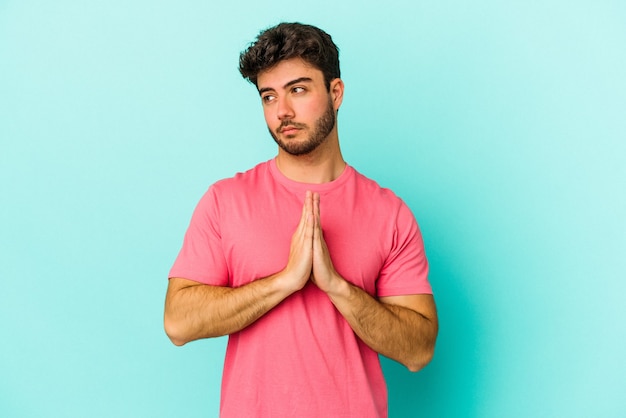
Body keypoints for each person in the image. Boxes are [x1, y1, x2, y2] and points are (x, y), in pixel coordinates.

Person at [164, 22, 438, 418]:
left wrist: (336, 287)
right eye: (269, 96)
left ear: (335, 92)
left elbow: (418, 350)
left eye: (298, 89)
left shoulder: (389, 213)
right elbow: (178, 322)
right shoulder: (226, 201)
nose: (283, 111)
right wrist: (285, 282)